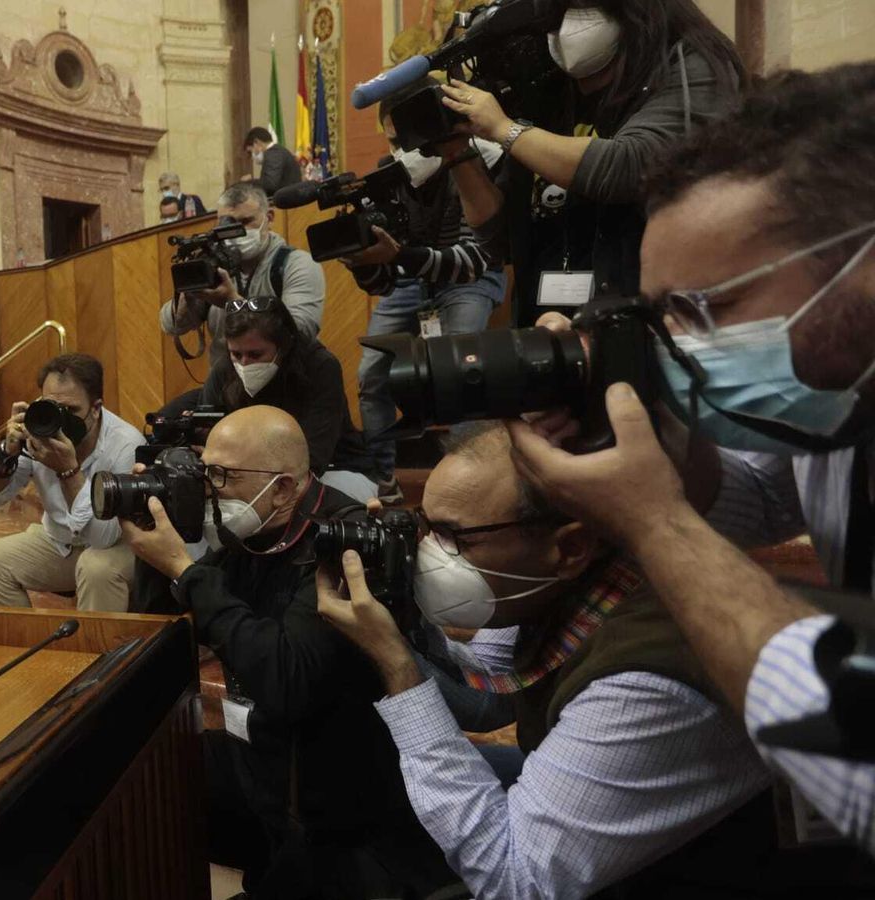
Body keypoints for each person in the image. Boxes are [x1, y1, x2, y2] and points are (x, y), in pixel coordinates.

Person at [505, 63, 875, 856]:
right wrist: (651, 437)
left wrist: (653, 522)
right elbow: (758, 496)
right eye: (661, 316)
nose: (682, 343)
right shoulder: (842, 385)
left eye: (705, 310)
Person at [316, 421, 810, 897]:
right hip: (622, 839)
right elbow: (487, 699)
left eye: (454, 538)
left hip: (694, 875)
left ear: (570, 544)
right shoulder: (565, 572)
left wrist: (398, 668)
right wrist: (401, 613)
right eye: (426, 527)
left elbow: (515, 877)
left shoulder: (646, 678)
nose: (431, 552)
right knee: (372, 774)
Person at [125, 406, 445, 898]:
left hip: (335, 796)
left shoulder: (347, 539)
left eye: (220, 475)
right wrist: (156, 546)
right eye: (203, 470)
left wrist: (185, 572)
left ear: (281, 487)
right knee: (141, 777)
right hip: (262, 754)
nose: (207, 488)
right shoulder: (254, 529)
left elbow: (287, 680)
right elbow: (162, 633)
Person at [439, 0, 743, 326]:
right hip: (547, 332)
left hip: (647, 326)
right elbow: (502, 241)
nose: (567, 25)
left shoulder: (690, 66)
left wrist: (504, 129)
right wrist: (457, 153)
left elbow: (631, 165)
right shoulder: (547, 87)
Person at [350, 104, 507, 498]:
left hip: (469, 280)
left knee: (461, 370)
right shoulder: (387, 180)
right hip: (410, 282)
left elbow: (472, 262)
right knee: (371, 374)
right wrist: (362, 263)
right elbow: (382, 285)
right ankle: (382, 479)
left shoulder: (476, 164)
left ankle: (468, 480)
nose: (404, 150)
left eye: (409, 139)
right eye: (393, 140)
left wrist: (399, 257)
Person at [0, 354, 143, 612]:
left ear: (95, 409)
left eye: (71, 411)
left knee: (96, 568)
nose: (60, 421)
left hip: (119, 546)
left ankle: (92, 652)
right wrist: (7, 451)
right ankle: (29, 649)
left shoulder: (126, 445)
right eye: (53, 407)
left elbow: (103, 538)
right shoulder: (40, 430)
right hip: (61, 542)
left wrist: (68, 471)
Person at [199, 298, 374, 501]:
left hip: (337, 468)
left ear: (283, 346)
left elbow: (314, 456)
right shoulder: (224, 370)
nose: (244, 364)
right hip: (254, 475)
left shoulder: (321, 367)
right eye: (236, 354)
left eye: (256, 354)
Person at [158, 183, 324, 370]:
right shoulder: (215, 265)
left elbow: (300, 331)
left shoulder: (296, 264)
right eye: (226, 223)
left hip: (286, 380)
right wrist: (184, 303)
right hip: (226, 384)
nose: (234, 232)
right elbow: (169, 325)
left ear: (268, 218)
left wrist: (233, 302)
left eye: (245, 222)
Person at [243, 126, 301, 196]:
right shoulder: (276, 152)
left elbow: (270, 185)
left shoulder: (274, 154)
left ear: (257, 142)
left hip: (284, 202)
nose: (252, 156)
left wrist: (250, 181)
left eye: (251, 151)